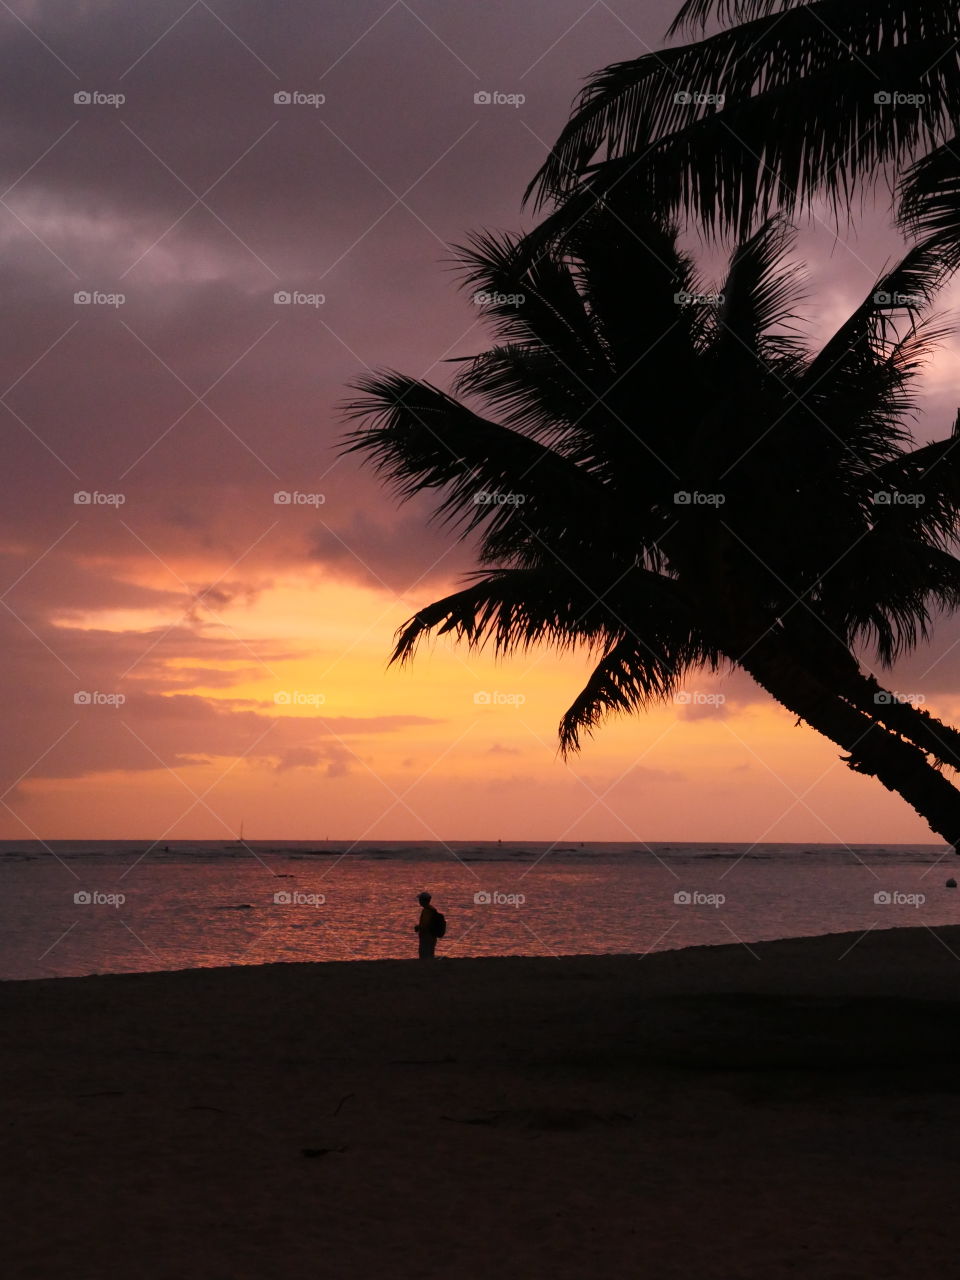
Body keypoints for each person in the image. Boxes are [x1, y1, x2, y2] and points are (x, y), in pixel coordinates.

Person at [414, 890, 440, 959]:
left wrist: (418, 927)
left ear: (423, 900)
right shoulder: (432, 909)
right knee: (430, 953)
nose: (419, 901)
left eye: (420, 899)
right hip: (432, 936)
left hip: (427, 936)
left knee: (424, 954)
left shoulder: (427, 911)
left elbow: (425, 925)